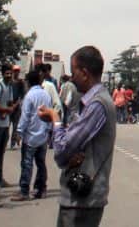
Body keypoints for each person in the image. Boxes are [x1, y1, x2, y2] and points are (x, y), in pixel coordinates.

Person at [39, 46, 117, 226]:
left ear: (84, 73)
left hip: (82, 199)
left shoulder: (97, 104)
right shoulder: (96, 101)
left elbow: (62, 149)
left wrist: (55, 119)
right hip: (83, 197)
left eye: (74, 72)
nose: (72, 78)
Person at [11, 69, 51, 202]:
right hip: (43, 135)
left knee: (27, 164)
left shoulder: (29, 96)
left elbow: (25, 116)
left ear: (28, 82)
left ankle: (24, 191)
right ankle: (41, 189)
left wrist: (19, 132)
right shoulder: (46, 95)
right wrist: (49, 130)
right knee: (41, 163)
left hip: (30, 136)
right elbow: (50, 113)